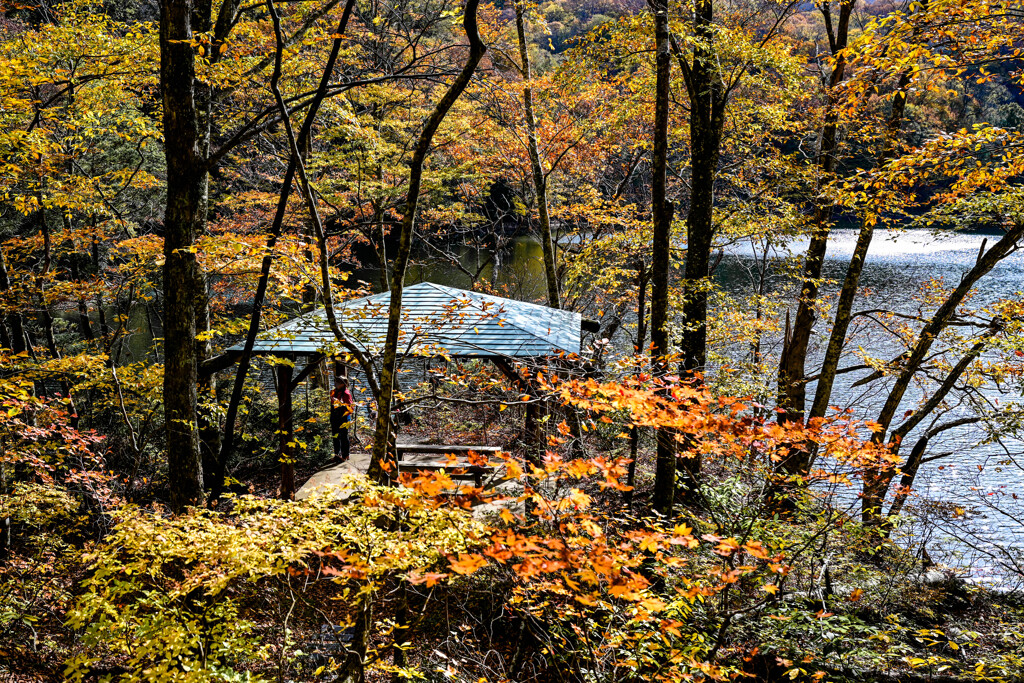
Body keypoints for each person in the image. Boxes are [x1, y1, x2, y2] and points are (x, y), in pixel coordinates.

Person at [330, 375, 354, 463]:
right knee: (335, 436)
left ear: (343, 384)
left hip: (344, 417)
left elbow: (351, 409)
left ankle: (345, 455)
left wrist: (342, 410)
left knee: (344, 437)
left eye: (338, 382)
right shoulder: (333, 392)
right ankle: (337, 455)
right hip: (335, 417)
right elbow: (332, 405)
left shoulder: (346, 394)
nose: (336, 383)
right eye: (336, 381)